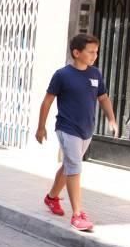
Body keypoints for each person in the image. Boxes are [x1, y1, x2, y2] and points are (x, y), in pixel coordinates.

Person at [36, 34, 118, 232]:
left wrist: (112, 119)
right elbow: (47, 101)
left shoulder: (95, 74)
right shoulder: (62, 75)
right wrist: (41, 127)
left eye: (96, 52)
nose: (95, 55)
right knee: (75, 166)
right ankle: (78, 214)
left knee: (69, 166)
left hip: (86, 129)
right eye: (91, 52)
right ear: (76, 53)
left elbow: (104, 98)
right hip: (67, 127)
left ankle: (52, 197)